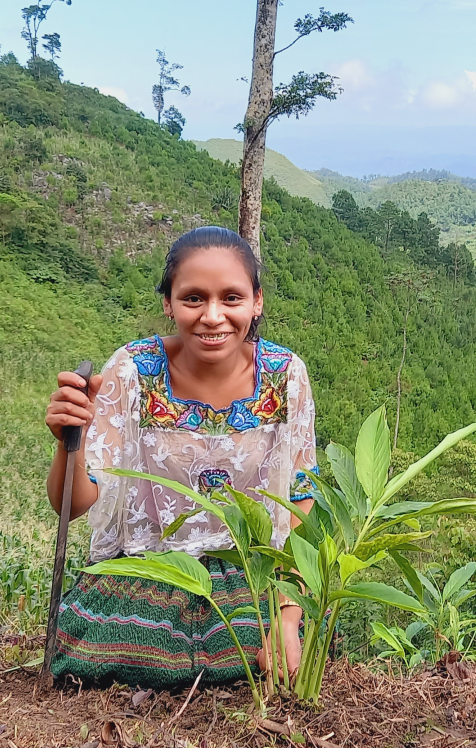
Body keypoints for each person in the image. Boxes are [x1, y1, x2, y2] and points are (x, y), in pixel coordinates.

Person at [43, 226, 317, 689]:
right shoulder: (131, 372)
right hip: (150, 571)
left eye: (231, 298)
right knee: (112, 650)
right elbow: (74, 504)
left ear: (257, 301)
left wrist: (288, 617)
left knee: (259, 649)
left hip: (249, 577)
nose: (213, 316)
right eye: (193, 298)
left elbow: (299, 499)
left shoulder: (286, 377)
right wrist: (68, 441)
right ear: (169, 303)